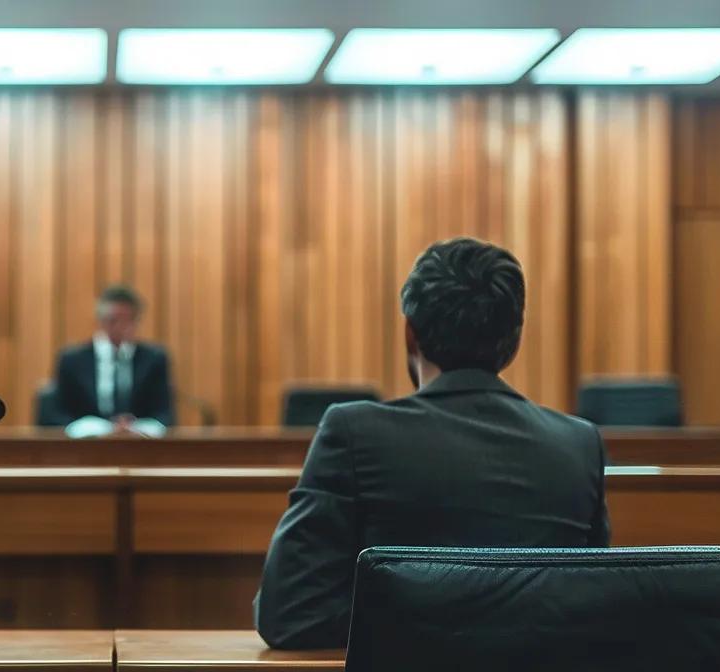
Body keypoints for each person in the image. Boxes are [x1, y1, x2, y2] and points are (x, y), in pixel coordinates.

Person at [254, 237, 610, 650]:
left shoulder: (352, 432)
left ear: (410, 333)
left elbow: (290, 616)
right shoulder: (579, 444)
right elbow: (591, 611)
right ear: (513, 342)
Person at [52, 285, 176, 437]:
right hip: (86, 446)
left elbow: (165, 414)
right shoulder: (72, 360)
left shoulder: (153, 359)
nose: (121, 327)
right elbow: (57, 414)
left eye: (128, 320)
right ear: (100, 320)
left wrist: (135, 426)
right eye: (113, 320)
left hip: (139, 445)